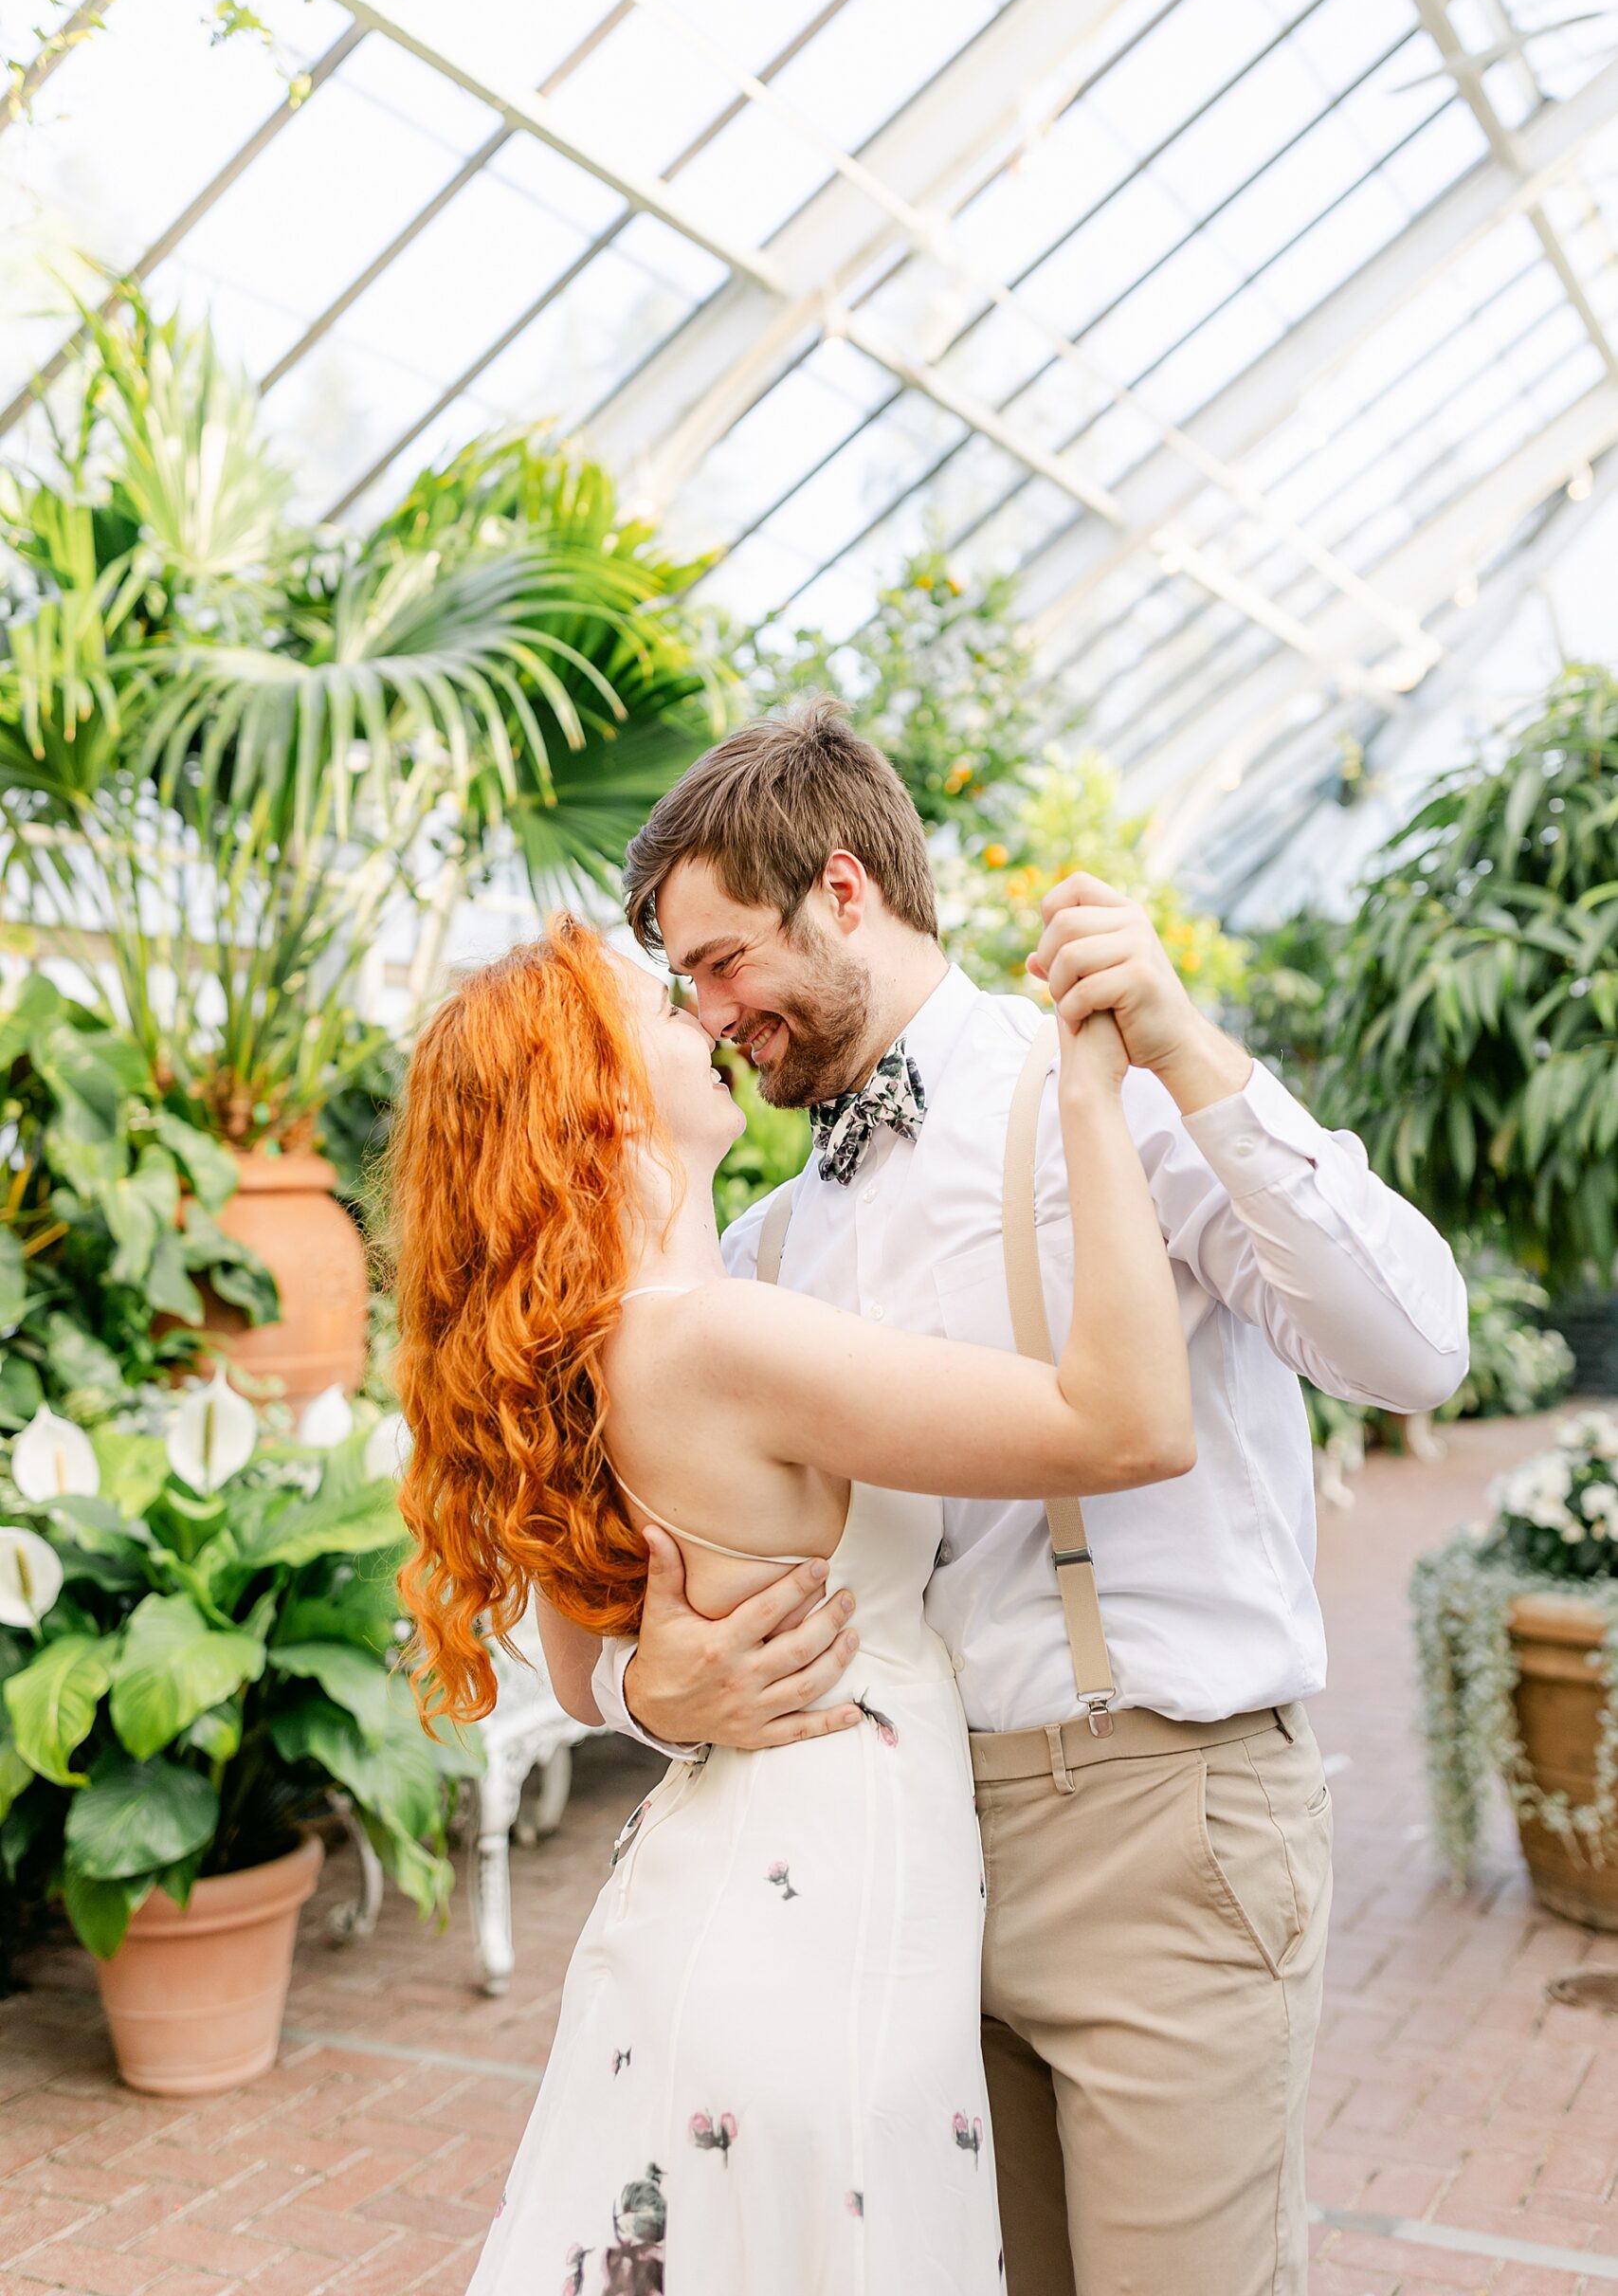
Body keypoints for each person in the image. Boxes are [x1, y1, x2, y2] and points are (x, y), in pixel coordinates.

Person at [588, 702, 1470, 2296]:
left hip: (1162, 1825)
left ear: (843, 894)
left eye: (723, 962)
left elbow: (1414, 1348)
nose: (712, 1017)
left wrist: (1194, 1056)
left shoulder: (1104, 1093)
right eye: (688, 983)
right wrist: (648, 1693)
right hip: (904, 1860)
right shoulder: (768, 1237)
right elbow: (630, 1575)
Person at [389, 906, 1196, 2296]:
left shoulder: (614, 1344)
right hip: (818, 1925)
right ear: (589, 1093)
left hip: (728, 1904)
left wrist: (649, 1692)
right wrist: (1088, 1093)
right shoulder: (720, 1340)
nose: (704, 1015)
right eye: (656, 1004)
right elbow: (1127, 1423)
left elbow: (589, 1673)